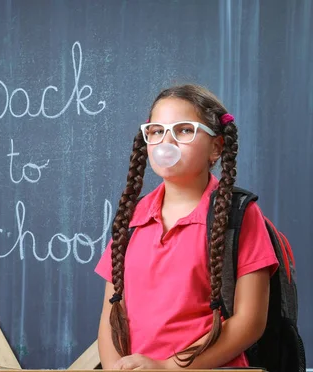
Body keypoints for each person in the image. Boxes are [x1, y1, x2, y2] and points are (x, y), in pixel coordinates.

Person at [94, 84, 279, 370]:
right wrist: (114, 367)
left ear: (216, 147)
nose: (166, 142)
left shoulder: (239, 216)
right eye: (156, 131)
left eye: (183, 130)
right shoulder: (131, 218)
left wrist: (169, 367)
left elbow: (250, 322)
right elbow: (110, 313)